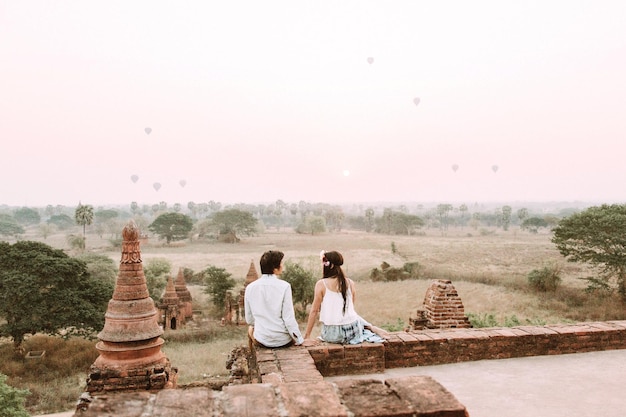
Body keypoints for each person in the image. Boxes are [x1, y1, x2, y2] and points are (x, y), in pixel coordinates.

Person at [304, 250, 387, 345]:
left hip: (332, 335)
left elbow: (314, 311)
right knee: (353, 315)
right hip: (351, 332)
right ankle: (370, 327)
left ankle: (370, 327)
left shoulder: (321, 284)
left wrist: (307, 336)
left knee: (352, 315)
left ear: (329, 265)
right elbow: (350, 310)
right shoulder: (350, 283)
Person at [244, 250, 304, 348]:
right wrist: (299, 340)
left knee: (250, 329)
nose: (282, 266)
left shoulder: (250, 288)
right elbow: (288, 319)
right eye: (280, 264)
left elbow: (249, 320)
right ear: (274, 269)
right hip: (283, 341)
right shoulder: (285, 286)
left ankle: (251, 355)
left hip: (262, 340)